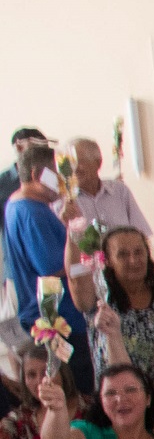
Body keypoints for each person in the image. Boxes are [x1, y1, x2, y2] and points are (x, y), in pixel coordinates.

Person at [6, 141, 89, 388]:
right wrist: (88, 256)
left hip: (56, 316)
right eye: (56, 174)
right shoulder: (32, 211)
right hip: (61, 319)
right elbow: (52, 264)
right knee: (78, 388)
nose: (63, 181)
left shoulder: (19, 205)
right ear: (36, 175)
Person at [68, 226, 154, 384]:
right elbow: (75, 275)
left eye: (138, 252)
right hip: (118, 400)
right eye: (123, 254)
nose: (133, 260)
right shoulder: (100, 302)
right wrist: (72, 231)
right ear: (108, 260)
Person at [0, 346, 77, 439]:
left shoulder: (90, 410)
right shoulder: (20, 418)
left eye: (46, 372)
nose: (40, 381)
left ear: (62, 372)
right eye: (31, 375)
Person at [67, 137, 150, 236]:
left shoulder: (119, 191)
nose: (74, 168)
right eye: (70, 163)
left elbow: (142, 233)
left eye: (79, 161)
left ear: (98, 163)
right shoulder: (66, 201)